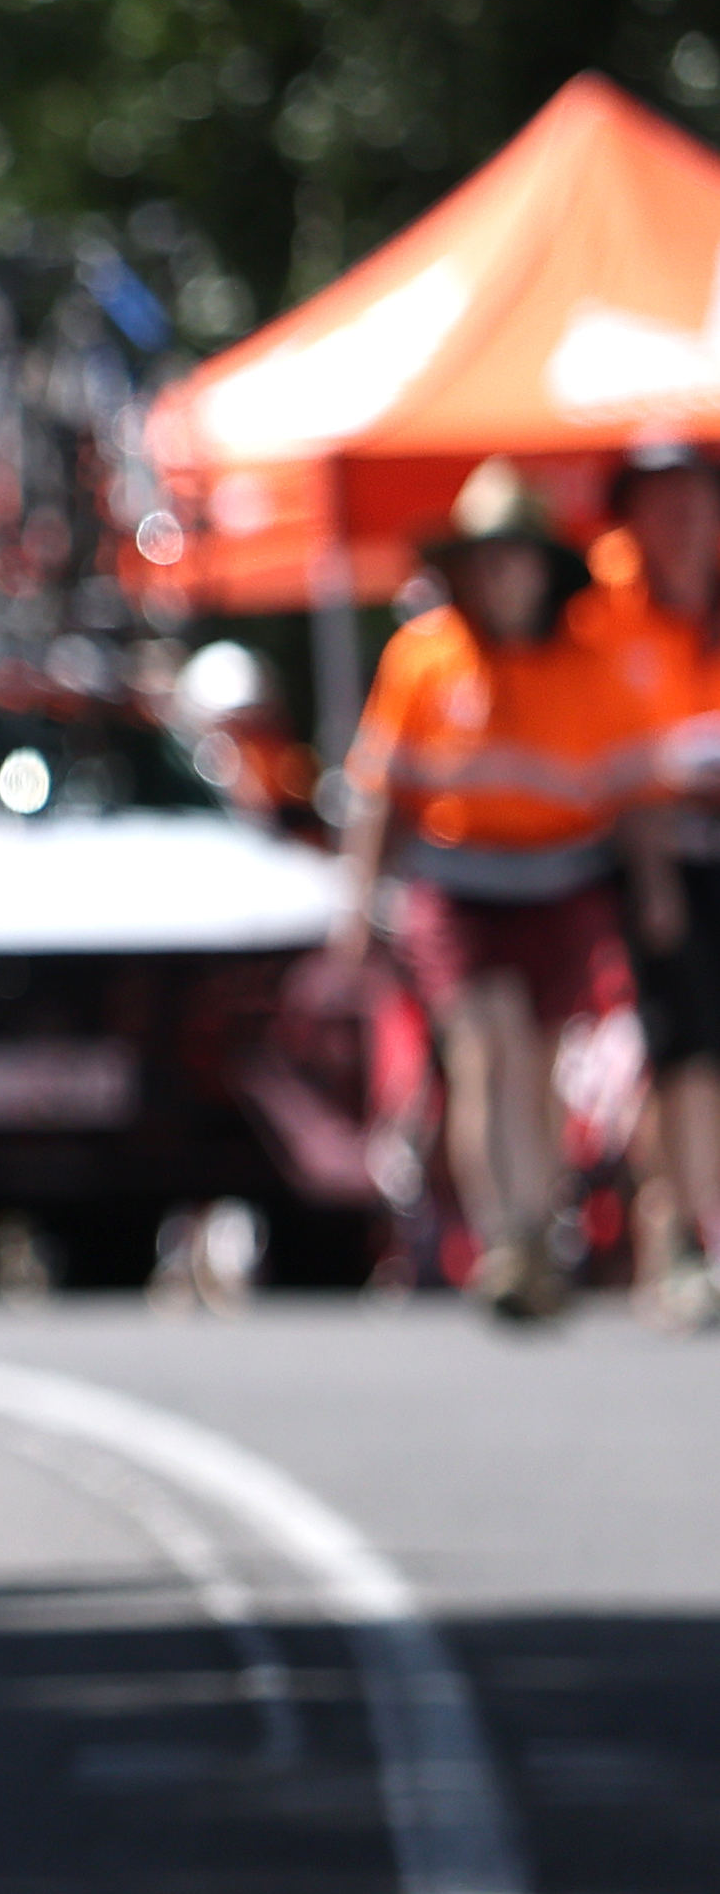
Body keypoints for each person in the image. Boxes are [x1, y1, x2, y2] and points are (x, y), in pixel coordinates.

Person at [330, 463, 639, 1324]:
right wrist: (357, 901)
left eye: (517, 560)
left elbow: (624, 796)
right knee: (483, 1042)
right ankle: (502, 1235)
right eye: (487, 560)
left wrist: (643, 892)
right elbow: (381, 793)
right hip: (457, 882)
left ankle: (539, 1229)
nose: (502, 578)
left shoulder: (583, 664)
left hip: (557, 880)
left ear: (543, 570)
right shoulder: (422, 657)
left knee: (538, 1056)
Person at [571, 436, 720, 1324]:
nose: (680, 521)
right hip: (654, 851)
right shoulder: (603, 616)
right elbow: (601, 756)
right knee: (684, 1051)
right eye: (659, 504)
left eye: (694, 500)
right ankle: (683, 1235)